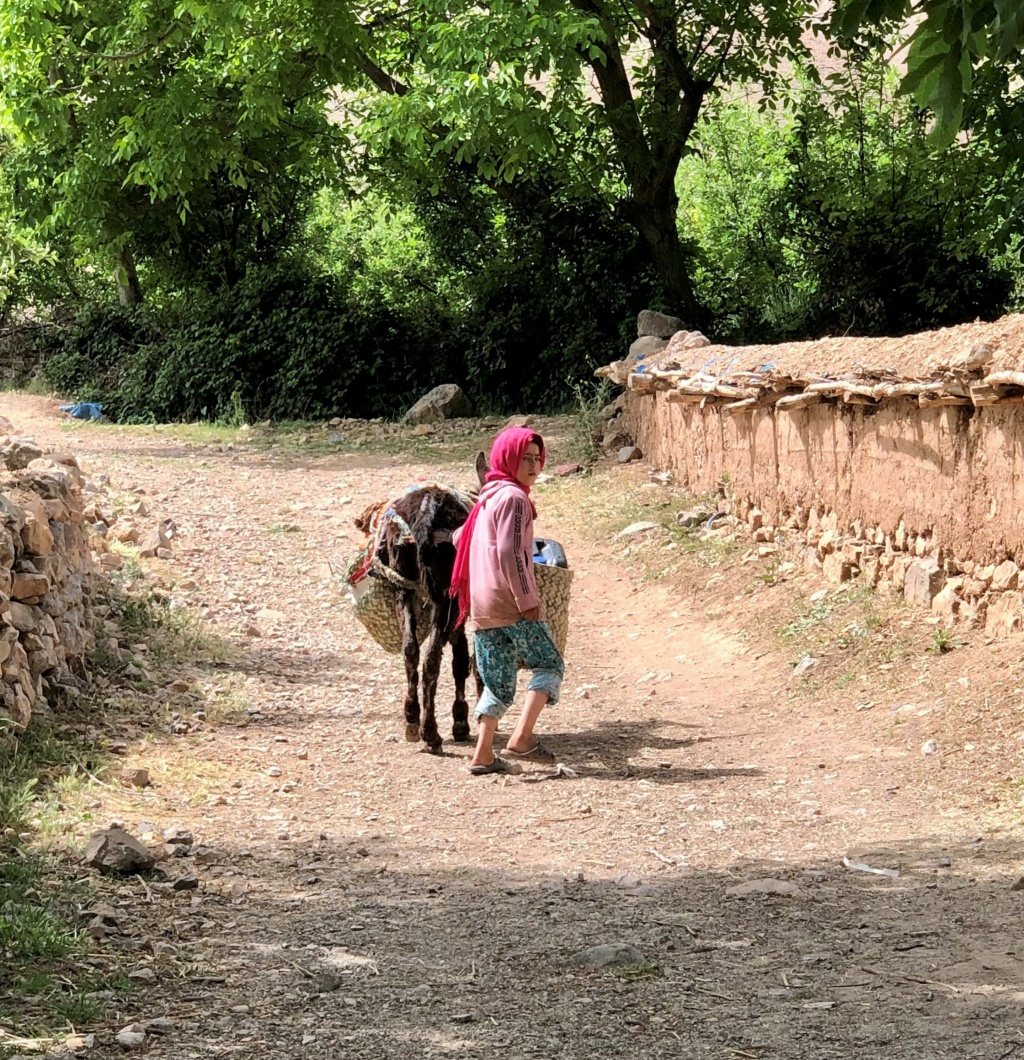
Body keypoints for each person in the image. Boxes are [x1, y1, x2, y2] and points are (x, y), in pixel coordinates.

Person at [450, 426, 564, 775]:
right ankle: (522, 737)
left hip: (481, 606)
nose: (533, 464)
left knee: (497, 681)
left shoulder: (487, 497)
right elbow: (511, 551)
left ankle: (483, 754)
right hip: (509, 601)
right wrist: (526, 598)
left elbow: (459, 538)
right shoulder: (514, 498)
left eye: (536, 458)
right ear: (508, 459)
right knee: (548, 664)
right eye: (524, 458)